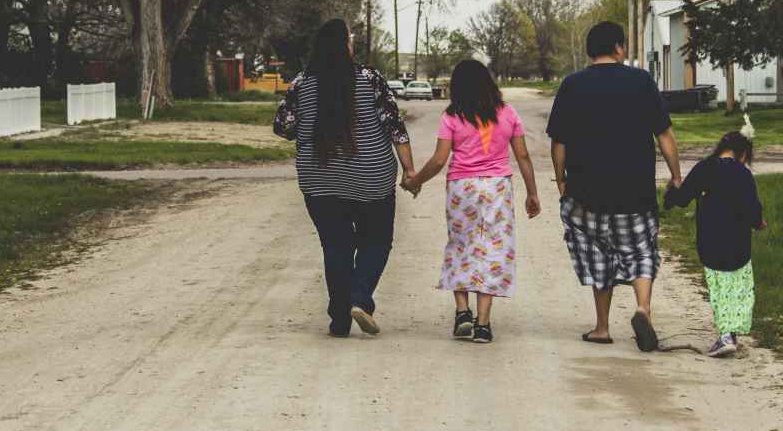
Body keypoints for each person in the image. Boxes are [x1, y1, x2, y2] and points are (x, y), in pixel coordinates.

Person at [274, 19, 416, 337]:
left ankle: (339, 319)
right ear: (345, 46)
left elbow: (284, 126)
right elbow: (394, 126)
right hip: (371, 178)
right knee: (377, 240)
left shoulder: (302, 83)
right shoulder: (369, 78)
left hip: (320, 179)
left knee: (335, 246)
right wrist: (409, 171)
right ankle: (360, 298)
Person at [547, 21, 682, 352]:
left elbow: (559, 142)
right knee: (640, 251)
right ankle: (642, 309)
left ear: (591, 50)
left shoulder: (572, 85)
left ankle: (602, 327)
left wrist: (562, 180)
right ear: (619, 48)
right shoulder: (641, 82)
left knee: (598, 255)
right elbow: (664, 135)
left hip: (586, 191)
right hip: (634, 190)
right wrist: (676, 176)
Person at [403, 60, 540, 344]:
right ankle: (483, 324)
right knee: (492, 248)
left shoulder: (452, 116)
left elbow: (440, 159)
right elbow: (523, 156)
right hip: (497, 188)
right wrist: (532, 193)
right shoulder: (508, 113)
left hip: (462, 187)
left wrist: (416, 181)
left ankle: (463, 312)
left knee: (461, 244)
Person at [663, 130, 766, 358]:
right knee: (737, 288)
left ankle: (726, 335)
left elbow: (682, 197)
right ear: (743, 154)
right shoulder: (744, 174)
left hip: (710, 241)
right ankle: (730, 334)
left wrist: (670, 195)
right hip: (738, 242)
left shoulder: (706, 167)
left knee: (719, 287)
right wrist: (759, 223)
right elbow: (753, 209)